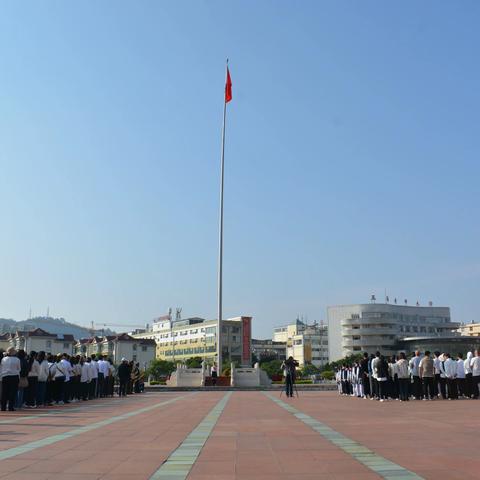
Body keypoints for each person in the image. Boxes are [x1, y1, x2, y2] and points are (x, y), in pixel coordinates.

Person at [1, 347, 20, 411]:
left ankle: (3, 407)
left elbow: (1, 368)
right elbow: (19, 369)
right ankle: (10, 407)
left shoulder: (3, 359)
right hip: (14, 376)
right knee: (13, 392)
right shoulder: (17, 359)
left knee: (4, 392)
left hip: (5, 376)